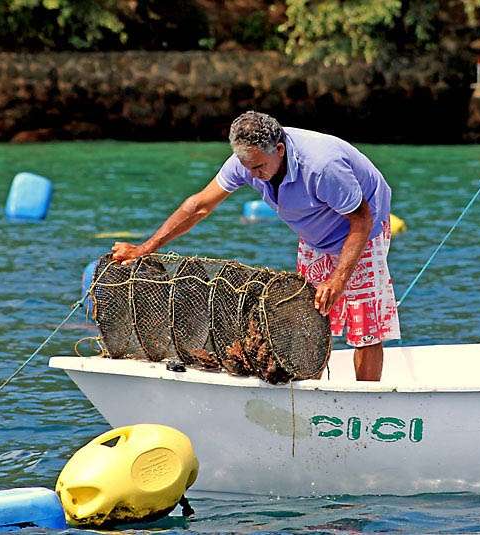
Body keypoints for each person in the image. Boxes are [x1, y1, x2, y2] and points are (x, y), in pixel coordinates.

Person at [111, 111, 400, 381]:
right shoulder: (247, 162)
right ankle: (310, 391)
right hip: (315, 234)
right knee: (308, 315)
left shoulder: (322, 167)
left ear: (280, 150)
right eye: (247, 167)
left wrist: (338, 279)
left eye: (259, 166)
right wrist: (145, 248)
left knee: (364, 327)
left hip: (363, 230)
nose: (253, 174)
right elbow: (200, 206)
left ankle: (366, 401)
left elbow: (361, 220)